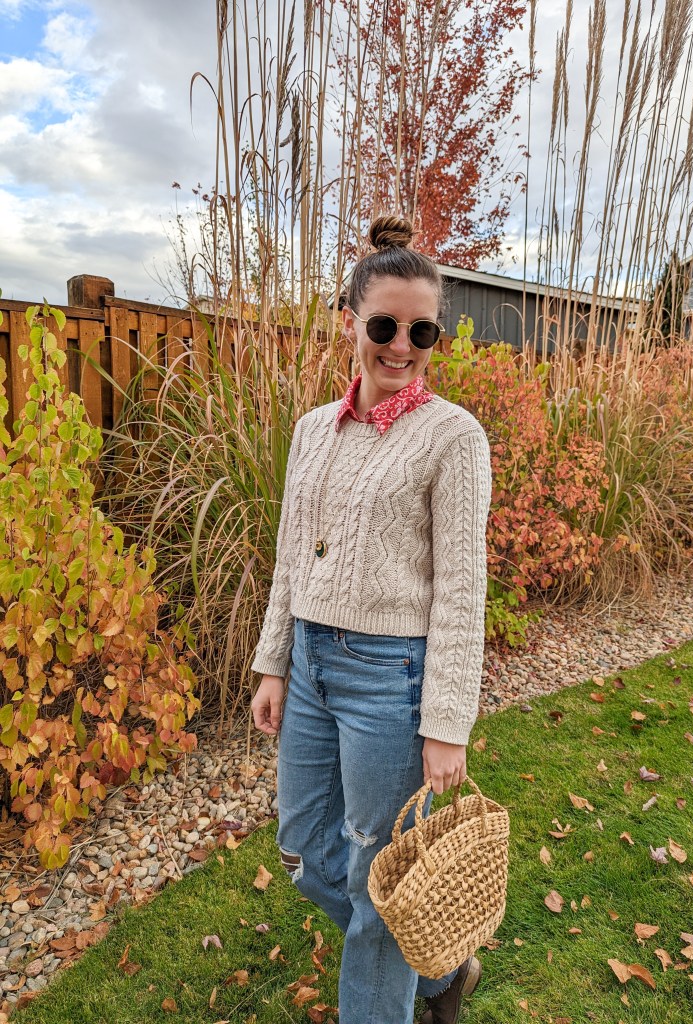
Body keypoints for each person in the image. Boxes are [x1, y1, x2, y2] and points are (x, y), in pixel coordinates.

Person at [250, 214, 493, 1024]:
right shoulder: (311, 430)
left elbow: (462, 588)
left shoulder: (452, 436)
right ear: (349, 320)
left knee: (375, 880)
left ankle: (399, 988)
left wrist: (446, 722)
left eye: (421, 330)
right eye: (384, 325)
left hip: (390, 678)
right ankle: (439, 972)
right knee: (304, 848)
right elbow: (291, 555)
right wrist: (273, 661)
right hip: (313, 669)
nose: (402, 346)